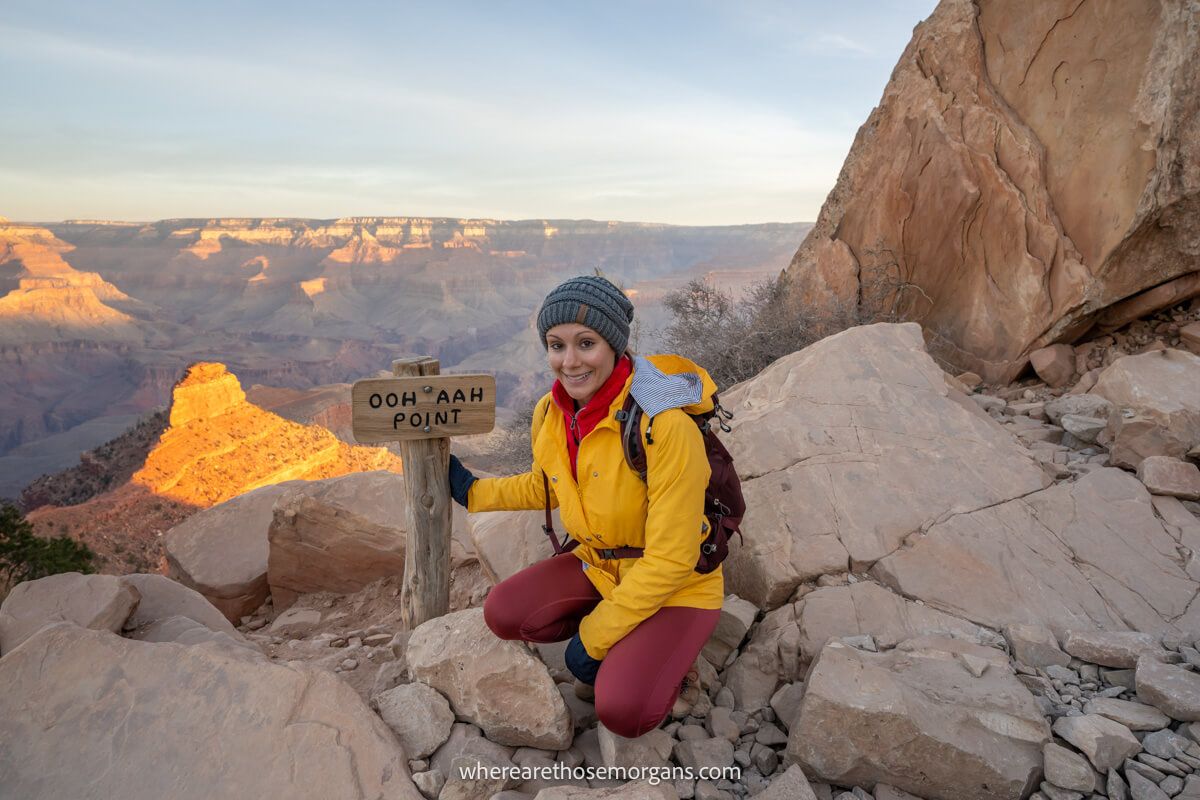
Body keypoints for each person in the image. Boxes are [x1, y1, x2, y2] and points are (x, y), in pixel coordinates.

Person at [447, 274, 723, 739]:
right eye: (556, 345)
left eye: (586, 343)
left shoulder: (663, 425)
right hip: (599, 567)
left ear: (614, 345)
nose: (569, 362)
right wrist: (475, 491)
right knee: (504, 612)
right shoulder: (551, 414)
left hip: (678, 586)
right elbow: (549, 485)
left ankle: (670, 664)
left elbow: (674, 559)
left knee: (622, 711)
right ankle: (628, 643)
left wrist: (594, 638)